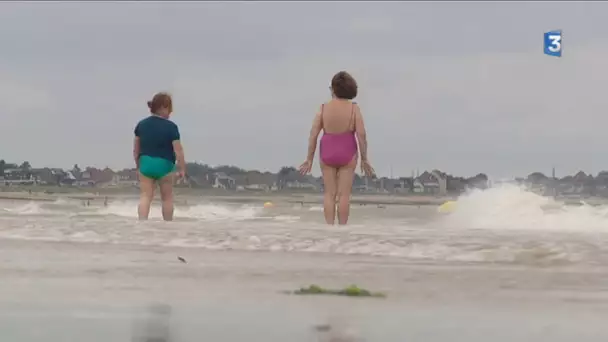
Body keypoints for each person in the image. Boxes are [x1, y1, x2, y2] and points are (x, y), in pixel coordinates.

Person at [299, 71, 375, 225]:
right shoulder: (354, 109)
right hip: (348, 150)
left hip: (327, 151)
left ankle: (329, 229)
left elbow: (313, 134)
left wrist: (309, 159)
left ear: (333, 89)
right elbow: (361, 134)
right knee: (344, 195)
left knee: (329, 194)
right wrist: (365, 158)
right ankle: (342, 231)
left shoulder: (323, 108)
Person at [133, 92, 186, 221]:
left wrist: (138, 165)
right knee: (167, 198)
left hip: (146, 163)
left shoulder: (141, 125)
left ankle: (141, 224)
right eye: (169, 109)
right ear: (163, 107)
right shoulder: (171, 127)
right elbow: (178, 150)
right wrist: (182, 168)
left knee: (145, 196)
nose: (170, 113)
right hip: (165, 165)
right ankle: (167, 225)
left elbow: (136, 149)